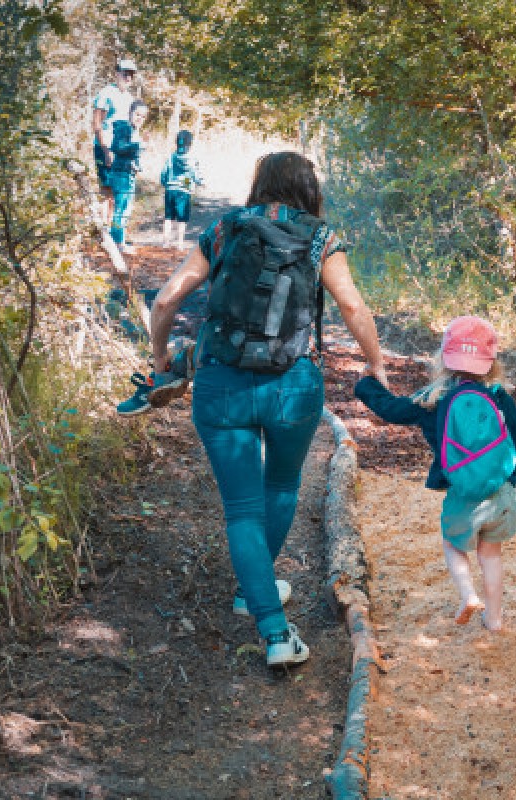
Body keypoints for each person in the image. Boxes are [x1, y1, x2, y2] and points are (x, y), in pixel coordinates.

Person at [147, 151, 388, 667]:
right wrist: (376, 363)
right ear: (308, 189)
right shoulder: (320, 236)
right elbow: (351, 306)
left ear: (260, 185)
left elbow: (167, 300)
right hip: (292, 386)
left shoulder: (225, 229)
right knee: (281, 486)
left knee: (240, 509)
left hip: (221, 382)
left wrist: (161, 358)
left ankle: (261, 606)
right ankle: (265, 615)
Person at [355, 316, 516, 633]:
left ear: (444, 359)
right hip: (501, 494)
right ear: (491, 361)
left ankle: (468, 594)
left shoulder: (435, 398)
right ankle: (494, 619)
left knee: (453, 544)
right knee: (491, 556)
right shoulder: (498, 396)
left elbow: (391, 409)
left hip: (463, 495)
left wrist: (366, 383)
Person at [91, 59, 138, 220]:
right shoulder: (106, 94)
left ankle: (114, 230)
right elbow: (97, 123)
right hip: (106, 147)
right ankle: (104, 229)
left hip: (122, 150)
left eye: (131, 74)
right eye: (125, 73)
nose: (128, 78)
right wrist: (105, 150)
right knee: (107, 189)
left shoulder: (129, 97)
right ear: (117, 73)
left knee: (119, 191)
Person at [106, 100, 148, 253]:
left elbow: (130, 153)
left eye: (143, 117)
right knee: (121, 209)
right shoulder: (124, 127)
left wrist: (137, 164)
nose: (140, 119)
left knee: (125, 209)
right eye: (137, 114)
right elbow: (118, 147)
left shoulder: (133, 129)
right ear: (130, 113)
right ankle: (117, 243)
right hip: (121, 174)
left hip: (128, 173)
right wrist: (138, 145)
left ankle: (119, 240)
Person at [160, 130, 204, 249]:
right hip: (184, 191)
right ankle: (180, 243)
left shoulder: (171, 157)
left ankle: (166, 242)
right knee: (182, 219)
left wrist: (164, 182)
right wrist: (200, 182)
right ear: (190, 144)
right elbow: (194, 174)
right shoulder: (192, 159)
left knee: (168, 217)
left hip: (170, 189)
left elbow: (164, 172)